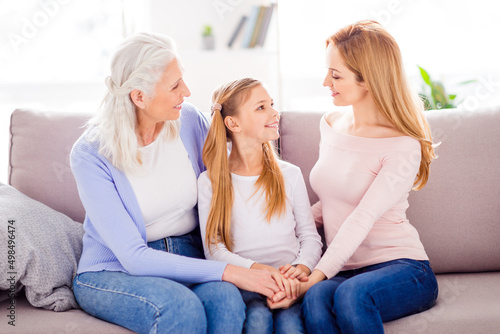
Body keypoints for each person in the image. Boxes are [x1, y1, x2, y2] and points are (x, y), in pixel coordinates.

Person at [70, 33, 281, 334]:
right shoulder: (91, 153)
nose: (187, 91)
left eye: (183, 80)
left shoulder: (189, 121)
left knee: (227, 301)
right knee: (181, 308)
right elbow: (134, 258)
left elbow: (231, 180)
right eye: (174, 86)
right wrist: (232, 271)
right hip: (115, 270)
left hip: (189, 253)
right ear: (139, 97)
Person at [275, 20, 439, 332]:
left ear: (368, 81)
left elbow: (361, 216)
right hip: (346, 268)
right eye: (328, 71)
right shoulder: (331, 123)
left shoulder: (402, 146)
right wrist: (288, 243)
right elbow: (330, 203)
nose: (326, 82)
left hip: (403, 268)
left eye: (336, 75)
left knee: (350, 296)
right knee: (315, 300)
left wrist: (318, 273)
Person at [197, 78, 323, 334]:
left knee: (291, 328)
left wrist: (300, 270)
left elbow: (310, 237)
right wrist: (262, 273)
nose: (274, 112)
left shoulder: (290, 174)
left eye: (272, 104)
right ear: (233, 123)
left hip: (289, 284)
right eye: (261, 107)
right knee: (257, 323)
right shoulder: (210, 181)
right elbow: (214, 250)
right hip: (246, 284)